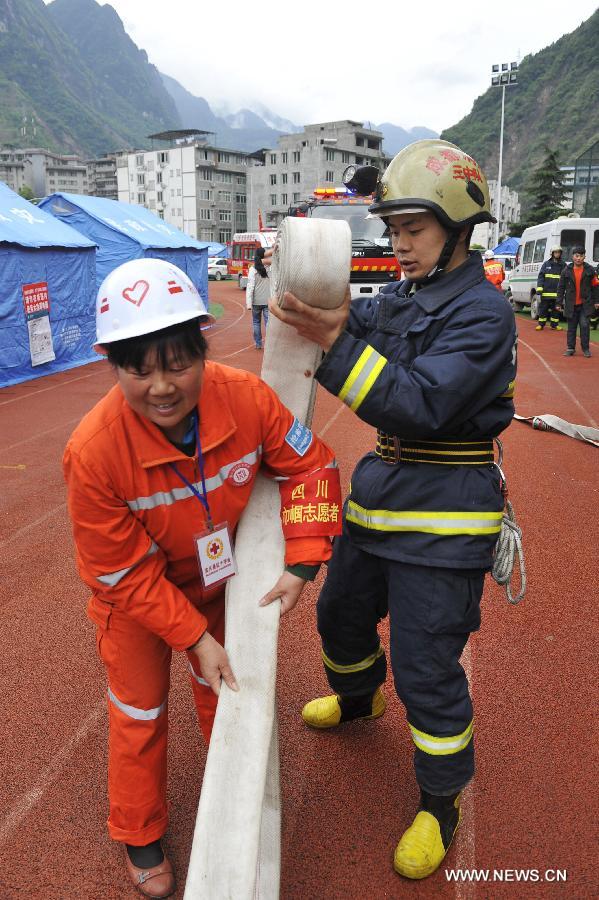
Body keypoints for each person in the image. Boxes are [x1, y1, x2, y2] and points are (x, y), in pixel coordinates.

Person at [268, 139, 517, 880]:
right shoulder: (408, 297)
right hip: (381, 498)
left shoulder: (484, 313)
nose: (398, 245)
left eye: (412, 228)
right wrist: (307, 289)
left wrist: (338, 341)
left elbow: (415, 403)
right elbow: (360, 320)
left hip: (446, 513)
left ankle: (439, 804)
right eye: (394, 229)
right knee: (338, 617)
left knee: (425, 665)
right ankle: (355, 699)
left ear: (457, 227)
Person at [63, 258, 341, 898]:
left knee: (229, 693)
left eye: (177, 362)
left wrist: (303, 559)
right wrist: (192, 636)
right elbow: (120, 573)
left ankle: (235, 796)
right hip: (134, 600)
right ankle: (139, 832)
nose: (161, 386)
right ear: (115, 365)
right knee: (139, 711)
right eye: (139, 367)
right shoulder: (93, 450)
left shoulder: (245, 398)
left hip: (217, 582)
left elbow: (312, 465)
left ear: (201, 350)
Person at [557, 246, 599, 357]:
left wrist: (597, 300)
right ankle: (570, 348)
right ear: (572, 256)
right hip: (571, 304)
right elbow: (561, 288)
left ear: (584, 257)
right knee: (571, 327)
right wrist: (558, 302)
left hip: (585, 304)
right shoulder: (566, 271)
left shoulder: (590, 270)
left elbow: (595, 286)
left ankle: (586, 349)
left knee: (585, 326)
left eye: (581, 256)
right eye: (576, 256)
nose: (578, 258)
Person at [535, 246, 565, 331]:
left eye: (558, 252)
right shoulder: (546, 264)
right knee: (543, 309)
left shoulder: (563, 265)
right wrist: (539, 289)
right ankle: (541, 325)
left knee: (556, 310)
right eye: (555, 252)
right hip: (546, 292)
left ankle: (554, 325)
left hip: (557, 293)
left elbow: (566, 278)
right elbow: (541, 277)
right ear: (552, 253)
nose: (557, 254)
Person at [246, 248, 270, 349]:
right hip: (267, 300)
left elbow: (250, 287)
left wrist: (248, 303)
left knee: (256, 323)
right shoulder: (269, 267)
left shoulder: (252, 269)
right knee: (268, 322)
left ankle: (258, 343)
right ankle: (269, 344)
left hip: (256, 302)